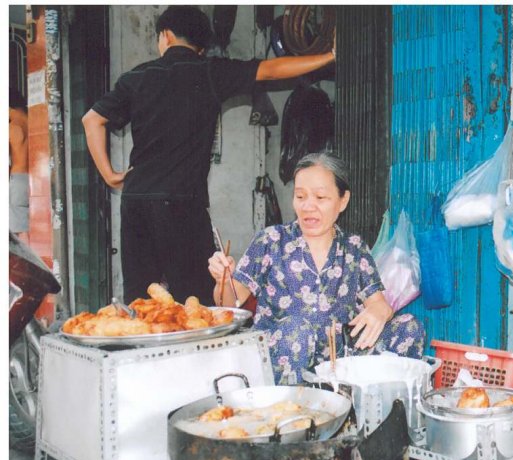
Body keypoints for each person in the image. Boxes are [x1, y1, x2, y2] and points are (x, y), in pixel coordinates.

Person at [82, 6, 336, 306]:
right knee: (196, 301)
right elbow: (270, 69)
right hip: (182, 205)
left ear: (165, 35)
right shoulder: (210, 70)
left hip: (137, 201)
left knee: (142, 301)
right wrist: (330, 55)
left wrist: (110, 174)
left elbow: (91, 119)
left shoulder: (135, 78)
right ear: (200, 47)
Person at [208, 152, 426, 384]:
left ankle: (375, 409)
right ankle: (290, 412)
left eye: (320, 197)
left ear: (343, 201)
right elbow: (229, 304)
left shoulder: (353, 248)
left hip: (337, 361)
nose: (308, 206)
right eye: (300, 196)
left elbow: (379, 304)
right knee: (297, 330)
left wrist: (381, 312)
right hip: (281, 358)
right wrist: (223, 279)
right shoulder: (270, 241)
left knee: (408, 327)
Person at [9, 88, 29, 242]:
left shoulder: (13, 127)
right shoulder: (32, 120)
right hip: (32, 178)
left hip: (18, 179)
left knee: (16, 231)